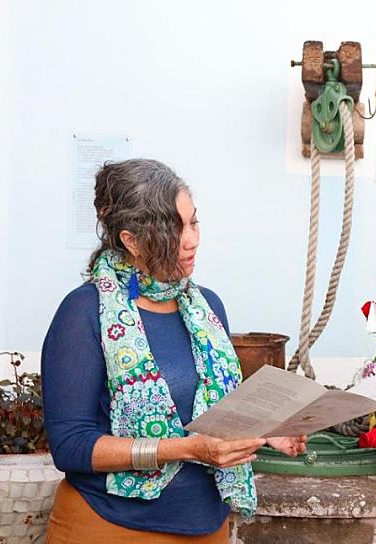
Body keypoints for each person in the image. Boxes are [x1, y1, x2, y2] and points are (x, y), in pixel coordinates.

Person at [42, 159, 307, 542]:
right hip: (110, 527)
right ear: (130, 240)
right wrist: (185, 449)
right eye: (172, 229)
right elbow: (70, 446)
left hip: (207, 525)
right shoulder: (84, 312)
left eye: (193, 222)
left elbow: (214, 417)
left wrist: (267, 434)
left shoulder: (208, 308)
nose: (191, 239)